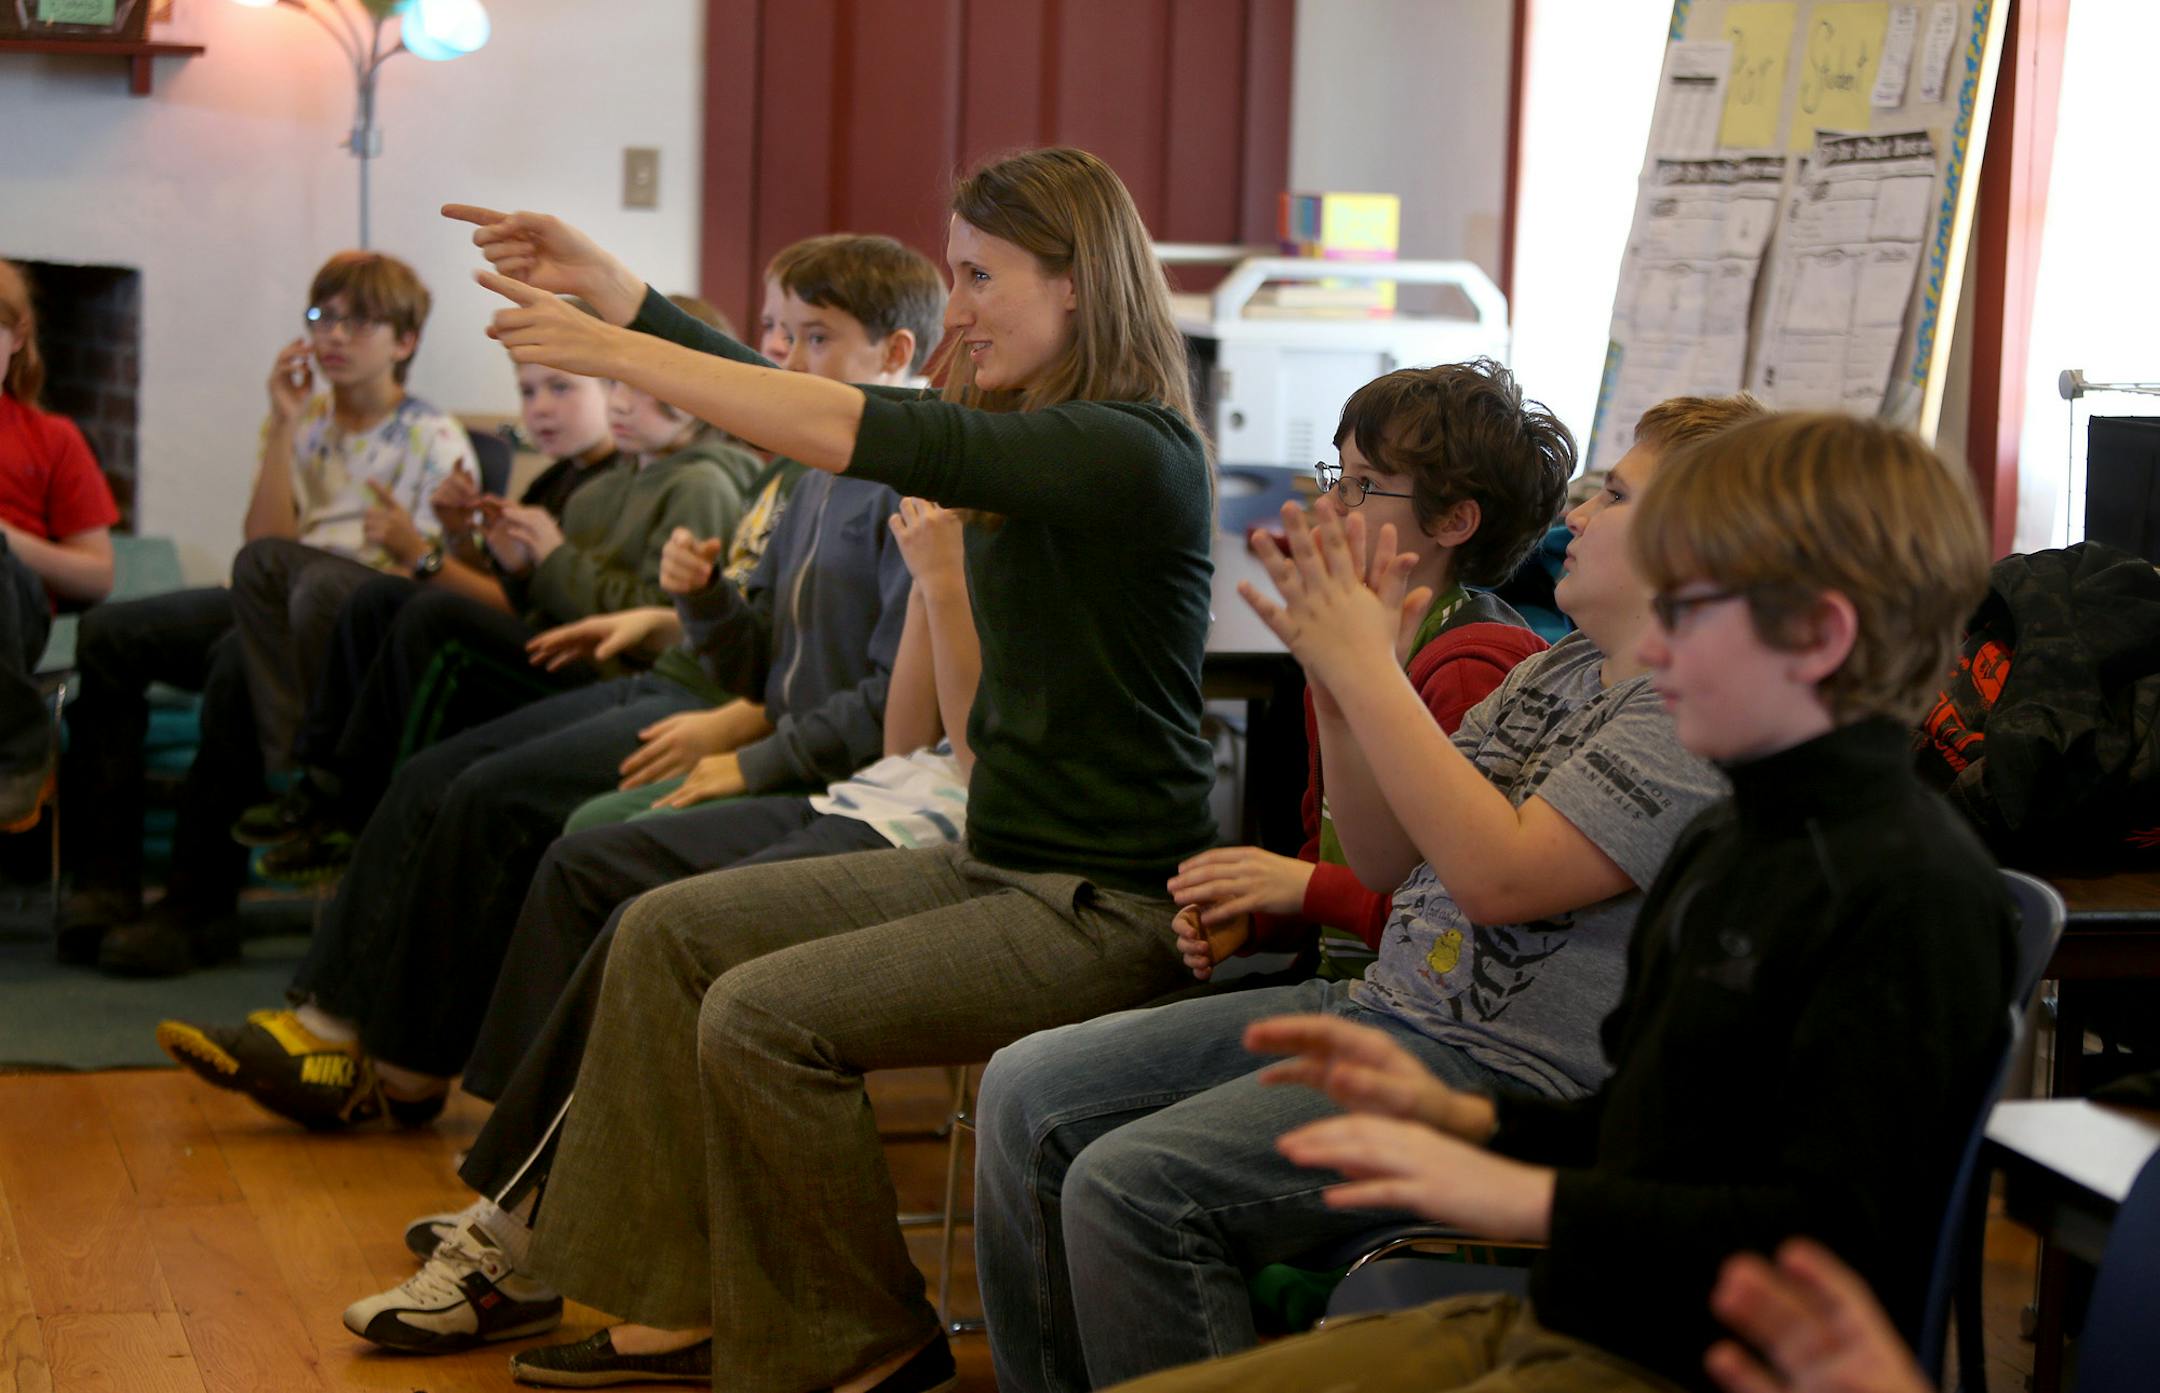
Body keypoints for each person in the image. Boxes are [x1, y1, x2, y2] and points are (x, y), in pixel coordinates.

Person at [404, 146, 1218, 1391]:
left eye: (981, 276)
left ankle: (866, 1340)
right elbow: (824, 405)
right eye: (952, 272)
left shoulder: (1128, 448)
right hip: (997, 861)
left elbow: (847, 424)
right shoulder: (1029, 435)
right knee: (663, 930)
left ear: (1078, 283)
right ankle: (680, 1305)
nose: (958, 308)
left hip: (1103, 904)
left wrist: (620, 349)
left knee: (761, 1015)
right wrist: (627, 299)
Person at [1103, 410, 2015, 1393]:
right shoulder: (1730, 840)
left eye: (1691, 610)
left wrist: (1523, 1199)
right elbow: (1637, 1132)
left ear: (1819, 636)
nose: (1657, 649)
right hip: (1569, 1319)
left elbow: (1817, 1234)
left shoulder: (1910, 892)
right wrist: (1457, 1116)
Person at [973, 395, 1759, 1393]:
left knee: (1134, 1190)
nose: (1581, 512)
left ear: (1702, 547)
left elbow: (1500, 878)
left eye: (1617, 496)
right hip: (1385, 1009)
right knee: (1023, 1085)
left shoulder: (1682, 714)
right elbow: (1388, 859)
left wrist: (1366, 674)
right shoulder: (1560, 671)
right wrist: (1342, 685)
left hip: (1505, 1073)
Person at [154, 232, 945, 1127]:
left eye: (812, 336)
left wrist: (744, 728)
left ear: (896, 352)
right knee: (437, 769)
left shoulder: (881, 484)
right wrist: (701, 604)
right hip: (701, 695)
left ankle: (416, 1073)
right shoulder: (805, 476)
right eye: (778, 332)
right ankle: (339, 1024)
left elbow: (875, 696)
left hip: (748, 733)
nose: (781, 356)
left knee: (491, 790)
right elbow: (761, 649)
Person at [337, 495, 978, 1355]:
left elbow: (967, 762)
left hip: (922, 825)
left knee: (661, 930)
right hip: (871, 794)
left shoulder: (990, 521)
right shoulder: (844, 494)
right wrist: (705, 597)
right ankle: (529, 1204)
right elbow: (897, 741)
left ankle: (515, 1234)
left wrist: (941, 586)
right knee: (584, 864)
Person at [237, 296, 765, 877]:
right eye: (614, 382)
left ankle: (351, 805)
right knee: (374, 602)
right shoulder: (598, 488)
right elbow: (548, 605)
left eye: (638, 385)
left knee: (424, 617)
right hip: (566, 650)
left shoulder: (703, 485)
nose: (618, 402)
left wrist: (548, 558)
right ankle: (323, 784)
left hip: (619, 677)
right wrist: (518, 566)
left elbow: (650, 621)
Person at [60, 250, 473, 974]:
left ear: (404, 341)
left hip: (346, 617)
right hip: (266, 594)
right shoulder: (304, 420)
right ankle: (103, 886)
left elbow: (431, 579)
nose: (333, 336)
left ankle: (198, 906)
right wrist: (283, 425)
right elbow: (263, 544)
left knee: (235, 665)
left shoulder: (433, 437)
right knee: (109, 634)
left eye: (359, 322)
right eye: (322, 317)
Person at [1167, 359, 1564, 985]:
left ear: (1453, 522)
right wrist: (1258, 918)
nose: (1330, 501)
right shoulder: (1351, 646)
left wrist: (1301, 889)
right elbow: (1334, 847)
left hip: (1411, 1003)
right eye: (1339, 475)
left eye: (1363, 484)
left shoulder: (1468, 674)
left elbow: (1447, 919)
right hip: (1339, 975)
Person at [0, 258, 119, 828]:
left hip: (10, 609)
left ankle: (18, 750)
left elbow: (97, 575)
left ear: (17, 337)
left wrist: (6, 538)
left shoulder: (50, 438)